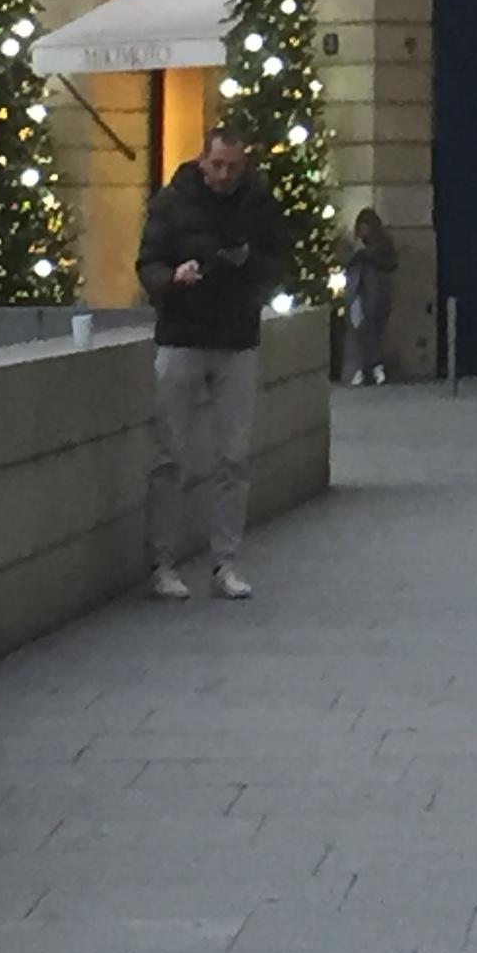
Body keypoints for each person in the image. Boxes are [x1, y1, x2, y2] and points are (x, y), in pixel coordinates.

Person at [137, 125, 286, 603]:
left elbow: (279, 262)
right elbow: (147, 264)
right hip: (182, 335)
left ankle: (226, 561)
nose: (224, 175)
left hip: (236, 338)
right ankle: (164, 563)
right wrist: (172, 277)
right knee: (170, 456)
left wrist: (249, 265)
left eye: (233, 167)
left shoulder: (258, 203)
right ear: (202, 159)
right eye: (217, 164)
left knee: (234, 456)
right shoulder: (172, 201)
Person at [341, 208, 399, 386]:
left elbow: (390, 264)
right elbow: (344, 261)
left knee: (373, 329)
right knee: (358, 328)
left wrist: (367, 255)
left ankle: (373, 366)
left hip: (375, 292)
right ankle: (363, 367)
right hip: (357, 292)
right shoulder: (353, 245)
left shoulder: (382, 245)